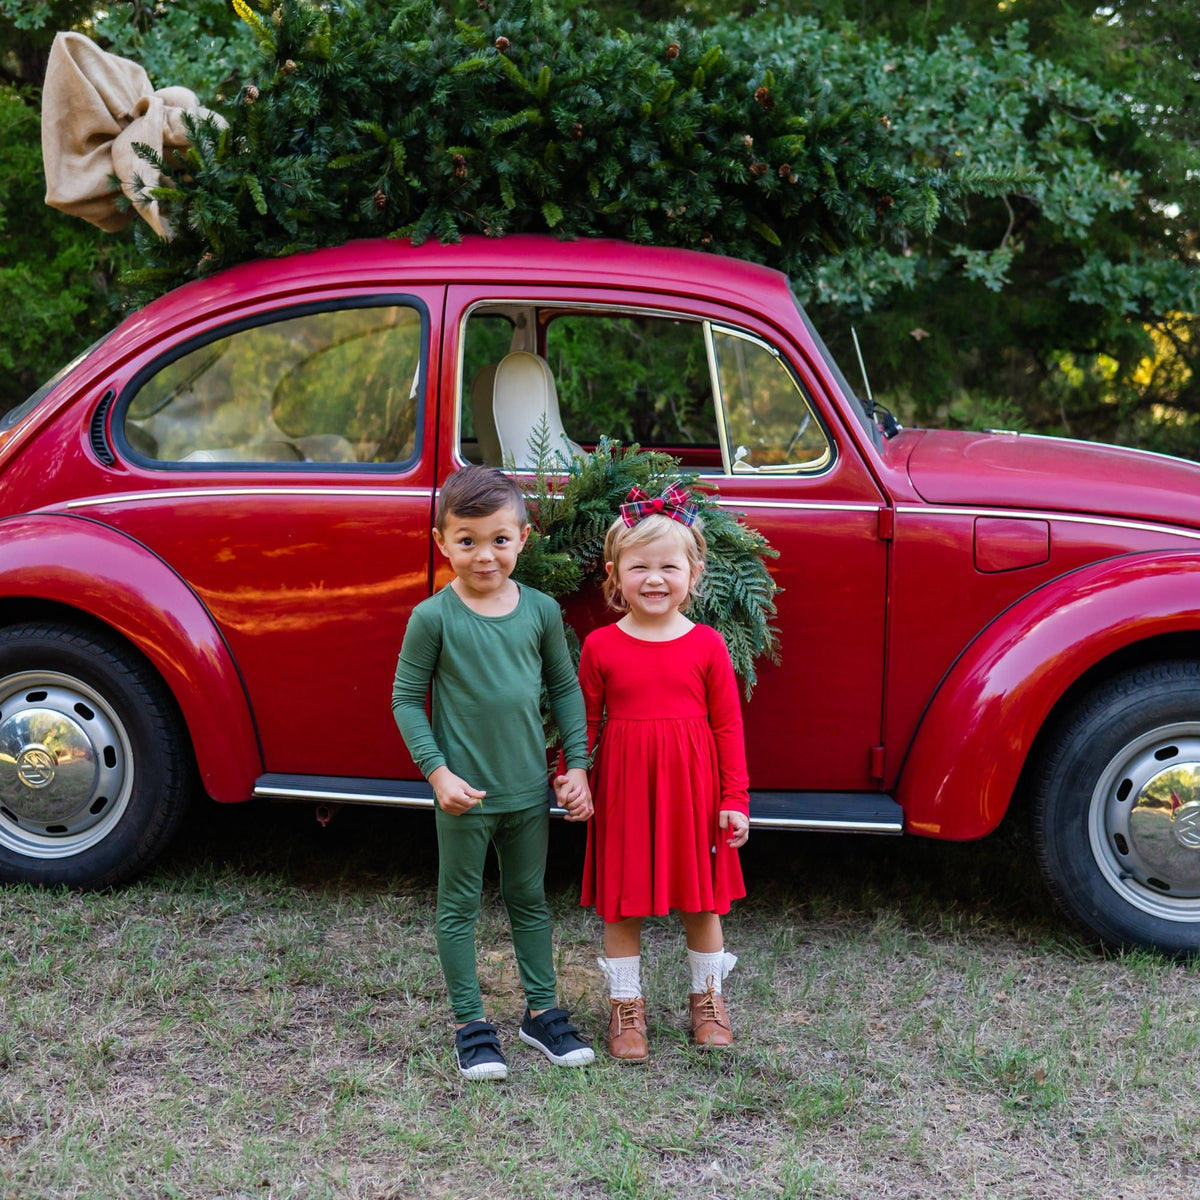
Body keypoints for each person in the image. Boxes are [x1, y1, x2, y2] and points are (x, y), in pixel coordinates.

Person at [392, 465, 596, 1080]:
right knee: (459, 905)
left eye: (499, 540)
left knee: (529, 898)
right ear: (442, 543)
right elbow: (406, 699)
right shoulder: (433, 618)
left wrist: (577, 766)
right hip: (464, 796)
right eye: (468, 541)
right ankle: (470, 1023)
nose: (485, 556)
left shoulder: (538, 611)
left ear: (523, 539)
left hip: (528, 791)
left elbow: (564, 688)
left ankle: (540, 1012)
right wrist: (436, 773)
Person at [563, 482, 750, 1062]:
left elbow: (727, 728)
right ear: (616, 576)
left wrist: (734, 797)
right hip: (624, 790)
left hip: (692, 792)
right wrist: (577, 775)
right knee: (624, 901)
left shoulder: (708, 646)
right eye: (638, 566)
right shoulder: (599, 646)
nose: (653, 578)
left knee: (704, 902)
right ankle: (626, 1008)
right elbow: (584, 723)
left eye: (668, 566)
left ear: (693, 574)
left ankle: (708, 1000)